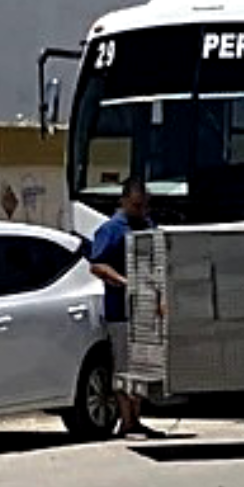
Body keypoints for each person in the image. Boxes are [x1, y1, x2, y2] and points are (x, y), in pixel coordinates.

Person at [89, 176, 162, 438]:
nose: (140, 211)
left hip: (145, 311)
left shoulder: (147, 226)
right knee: (123, 366)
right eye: (135, 206)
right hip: (120, 311)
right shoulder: (111, 229)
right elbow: (97, 264)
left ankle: (137, 419)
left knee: (142, 367)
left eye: (144, 206)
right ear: (123, 201)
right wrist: (123, 282)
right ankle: (126, 420)